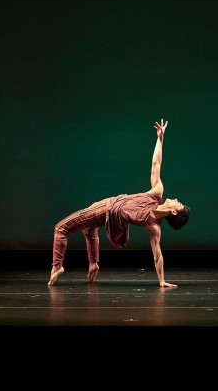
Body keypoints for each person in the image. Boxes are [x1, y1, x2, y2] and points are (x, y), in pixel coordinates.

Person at [48, 119, 190, 288]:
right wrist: (160, 139)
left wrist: (162, 281)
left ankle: (57, 266)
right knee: (89, 228)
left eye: (178, 204)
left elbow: (157, 255)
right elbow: (156, 163)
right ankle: (93, 264)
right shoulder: (156, 193)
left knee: (61, 229)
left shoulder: (154, 226)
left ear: (173, 212)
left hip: (106, 209)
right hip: (107, 205)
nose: (176, 200)